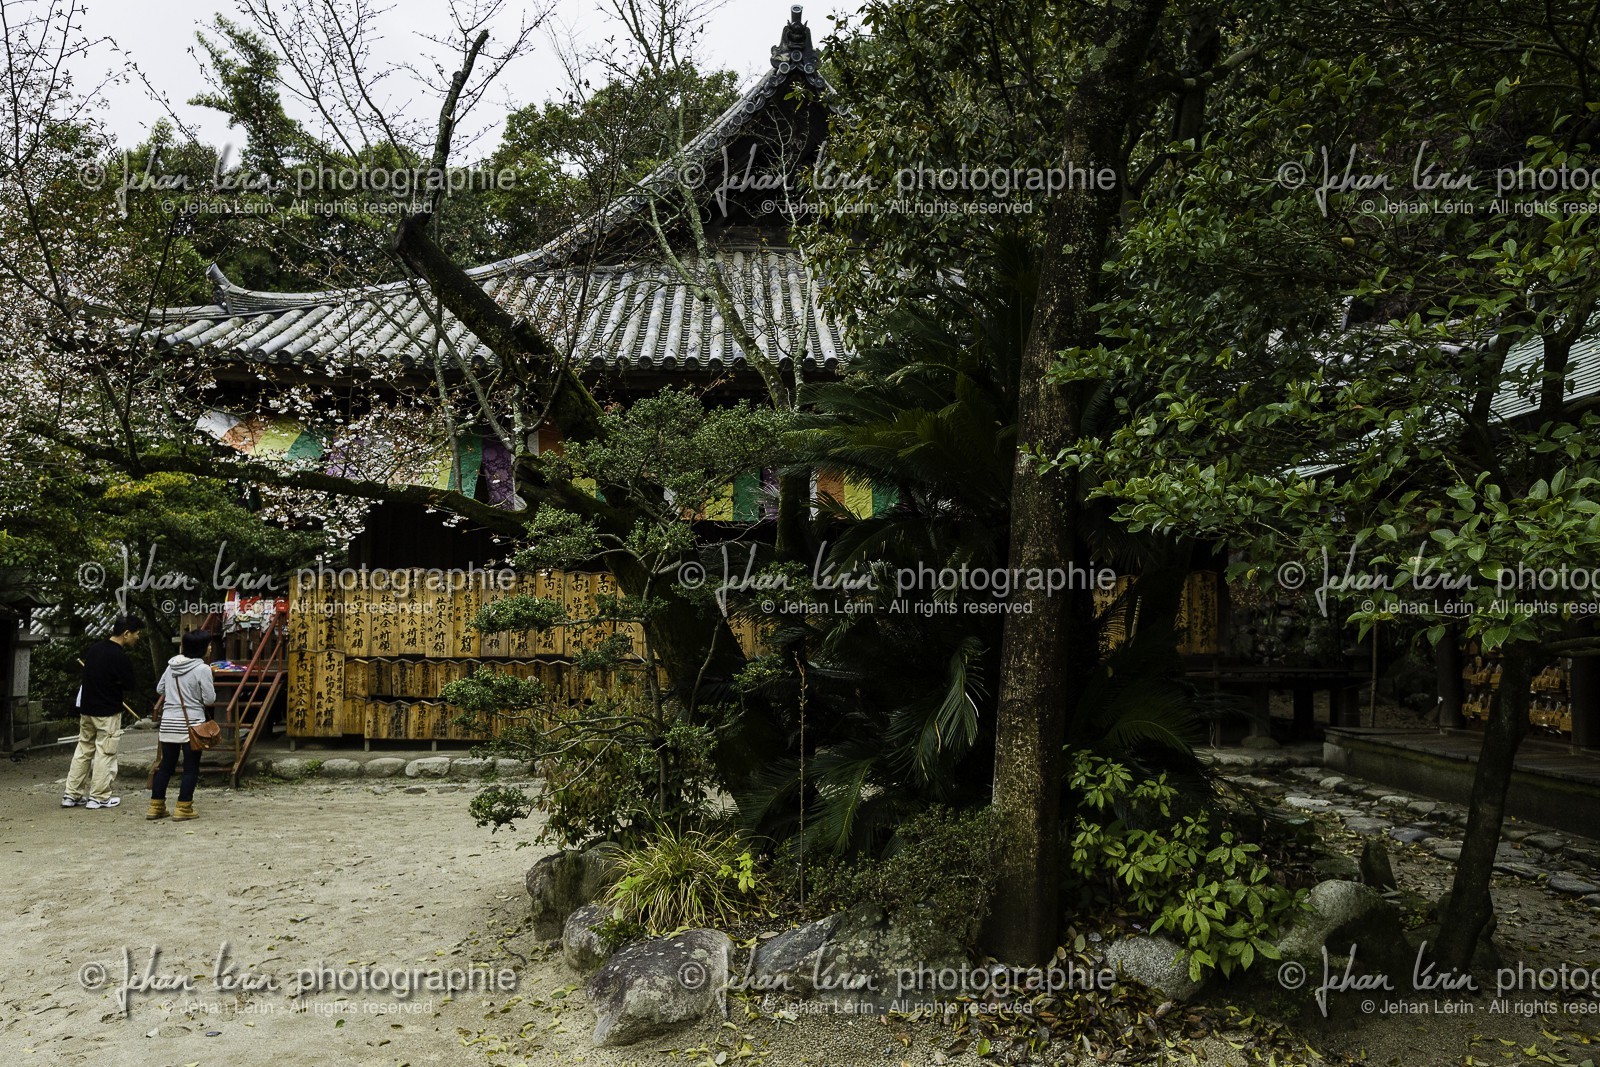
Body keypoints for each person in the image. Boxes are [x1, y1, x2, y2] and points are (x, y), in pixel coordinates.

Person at [63, 614, 142, 810]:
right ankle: (99, 796)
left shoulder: (95, 649)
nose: (138, 637)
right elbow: (131, 684)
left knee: (83, 750)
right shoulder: (119, 656)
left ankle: (71, 794)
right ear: (126, 633)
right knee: (105, 752)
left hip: (87, 709)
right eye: (136, 633)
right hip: (107, 711)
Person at [149, 630, 217, 821]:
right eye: (209, 645)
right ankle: (184, 807)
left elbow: (160, 689)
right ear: (201, 648)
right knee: (191, 767)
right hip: (192, 725)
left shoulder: (171, 665)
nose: (210, 648)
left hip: (168, 723)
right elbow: (209, 699)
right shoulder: (203, 669)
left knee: (166, 766)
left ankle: (156, 807)